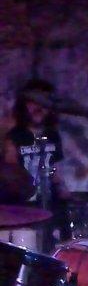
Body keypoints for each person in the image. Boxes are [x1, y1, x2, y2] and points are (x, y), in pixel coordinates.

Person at [3, 78, 72, 252]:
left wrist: (63, 190)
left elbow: (56, 169)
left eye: (44, 104)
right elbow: (9, 173)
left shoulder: (53, 135)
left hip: (50, 203)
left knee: (57, 246)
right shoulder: (15, 136)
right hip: (25, 205)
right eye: (33, 102)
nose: (39, 108)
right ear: (24, 105)